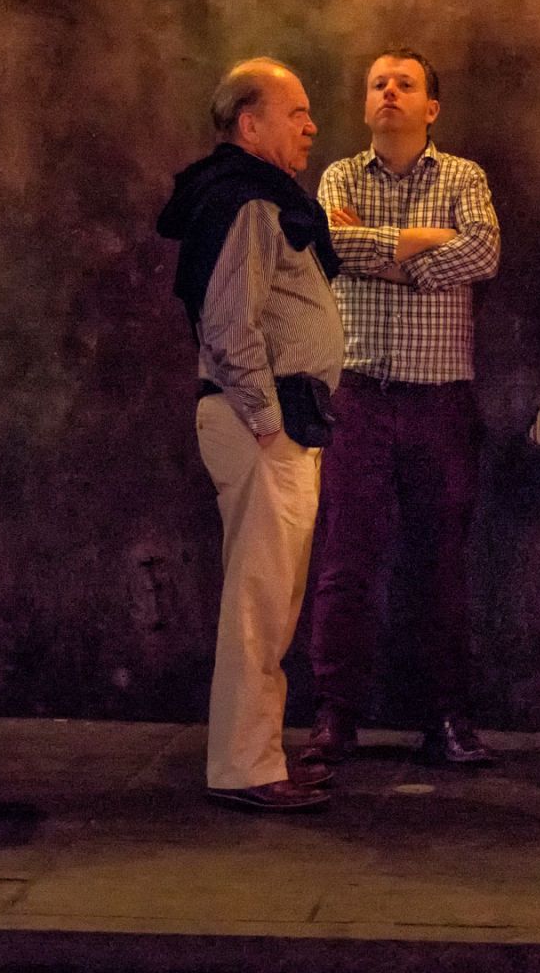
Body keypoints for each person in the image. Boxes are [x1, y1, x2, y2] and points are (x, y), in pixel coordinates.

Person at [301, 48, 502, 767]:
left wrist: (377, 251)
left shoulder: (463, 176)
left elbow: (481, 254)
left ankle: (446, 717)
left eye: (406, 84)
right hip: (356, 395)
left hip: (440, 399)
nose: (390, 92)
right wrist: (418, 248)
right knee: (344, 562)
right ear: (364, 105)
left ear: (431, 107)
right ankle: (334, 716)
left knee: (439, 564)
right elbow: (328, 243)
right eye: (379, 84)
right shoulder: (337, 176)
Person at [156, 58, 344, 811]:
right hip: (262, 424)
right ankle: (245, 768)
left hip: (277, 421)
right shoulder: (248, 203)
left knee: (271, 598)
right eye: (296, 112)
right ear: (249, 123)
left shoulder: (263, 200)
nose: (311, 126)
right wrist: (267, 421)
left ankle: (258, 755)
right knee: (259, 602)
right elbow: (230, 324)